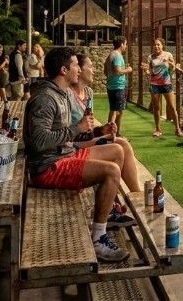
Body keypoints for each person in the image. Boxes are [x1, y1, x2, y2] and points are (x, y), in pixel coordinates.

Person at [24, 47, 135, 262]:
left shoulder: (61, 93)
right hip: (49, 167)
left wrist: (96, 132)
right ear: (64, 70)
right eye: (76, 65)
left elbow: (69, 135)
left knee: (116, 149)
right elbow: (39, 143)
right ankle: (98, 238)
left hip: (64, 154)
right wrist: (78, 128)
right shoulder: (45, 98)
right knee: (111, 171)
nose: (79, 69)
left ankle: (108, 210)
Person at [72, 53, 141, 193]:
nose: (94, 70)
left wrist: (102, 130)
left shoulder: (88, 92)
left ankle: (136, 193)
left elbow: (89, 126)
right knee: (117, 149)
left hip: (86, 139)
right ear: (79, 70)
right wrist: (95, 135)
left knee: (124, 144)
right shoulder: (68, 95)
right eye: (90, 67)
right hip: (75, 145)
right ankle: (112, 197)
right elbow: (69, 133)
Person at [140, 38, 183, 138]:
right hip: (154, 85)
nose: (156, 46)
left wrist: (169, 61)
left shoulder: (168, 55)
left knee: (172, 106)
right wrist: (145, 70)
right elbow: (149, 72)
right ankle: (158, 129)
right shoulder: (151, 57)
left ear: (162, 45)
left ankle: (178, 129)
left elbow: (173, 68)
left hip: (166, 84)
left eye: (158, 45)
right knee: (156, 108)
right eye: (155, 45)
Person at [103, 36, 133, 134]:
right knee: (117, 111)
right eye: (125, 44)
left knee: (115, 111)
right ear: (121, 44)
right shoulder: (117, 56)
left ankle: (112, 133)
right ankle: (113, 134)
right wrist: (128, 70)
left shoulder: (110, 55)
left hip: (112, 86)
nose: (126, 46)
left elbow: (105, 70)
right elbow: (117, 71)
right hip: (117, 87)